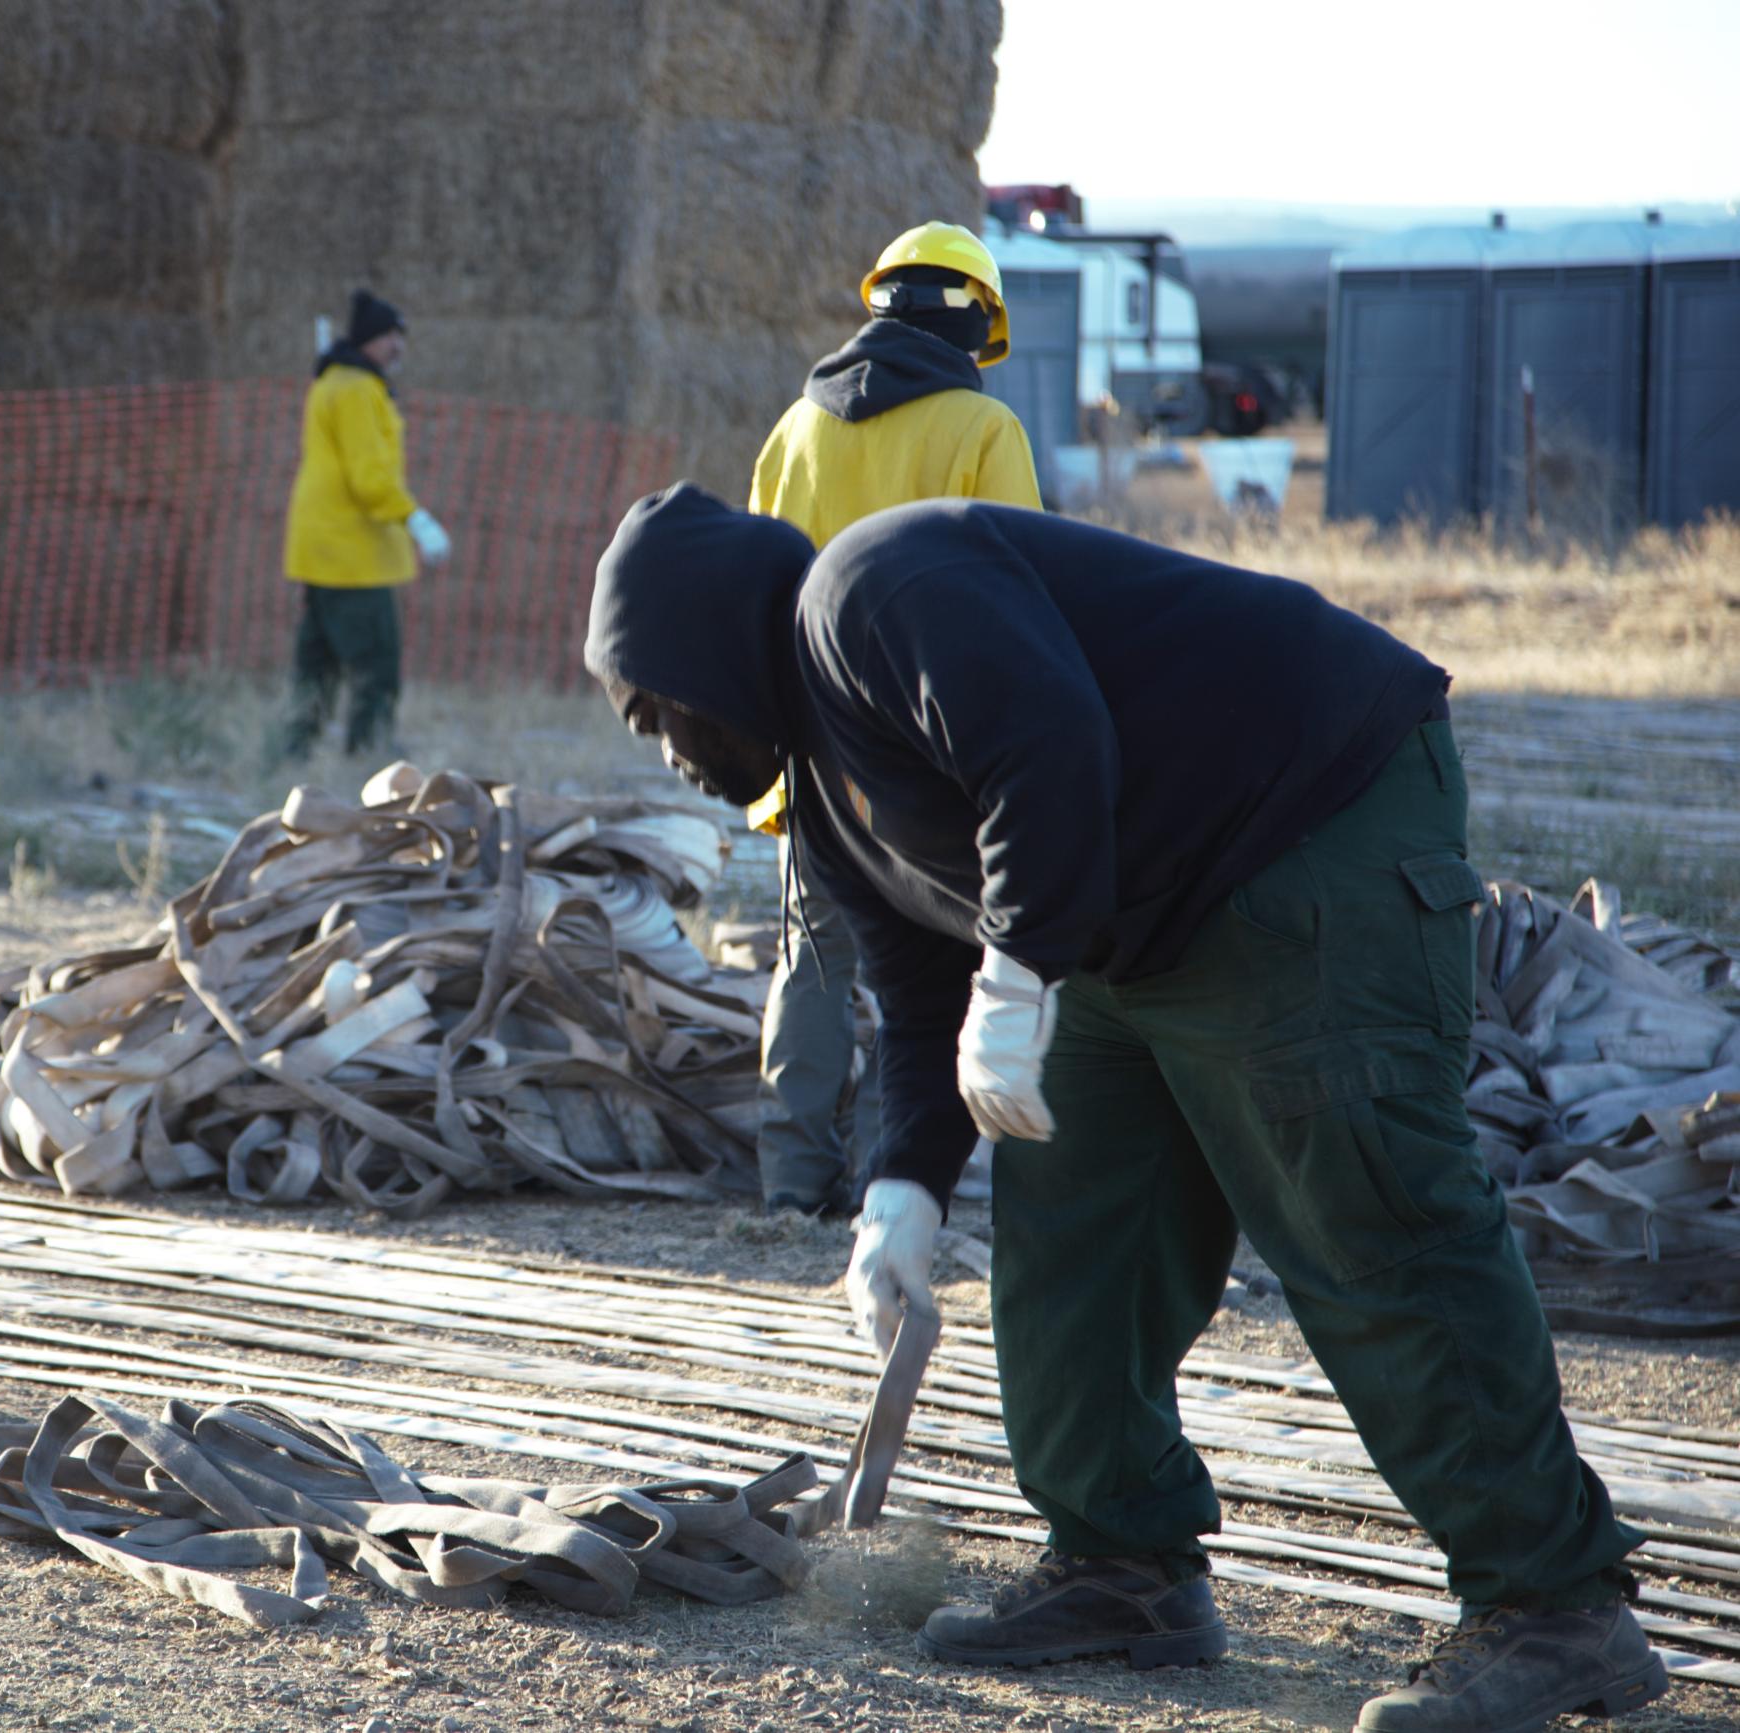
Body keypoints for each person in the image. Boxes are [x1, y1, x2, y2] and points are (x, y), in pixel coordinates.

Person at [583, 487, 1663, 1733]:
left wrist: (1019, 964)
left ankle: (1555, 1602)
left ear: (704, 638)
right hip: (1131, 915)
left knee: (1365, 1210)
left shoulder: (872, 589)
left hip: (1301, 817)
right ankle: (1122, 1564)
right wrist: (902, 1188)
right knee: (1071, 1215)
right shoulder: (828, 801)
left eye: (653, 700)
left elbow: (1045, 740)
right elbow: (915, 990)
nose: (660, 743)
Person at [745, 221, 1041, 1215]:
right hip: (927, 763)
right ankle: (894, 1178)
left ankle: (788, 1184)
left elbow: (758, 588)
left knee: (814, 956)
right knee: (929, 980)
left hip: (808, 743)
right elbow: (1014, 601)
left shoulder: (793, 429)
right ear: (974, 324)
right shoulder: (980, 432)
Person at [280, 290, 450, 758]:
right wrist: (415, 518)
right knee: (377, 668)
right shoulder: (356, 389)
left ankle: (289, 755)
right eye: (392, 335)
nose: (399, 346)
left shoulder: (333, 383)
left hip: (321, 551)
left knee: (316, 667)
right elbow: (369, 477)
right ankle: (368, 761)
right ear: (371, 339)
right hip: (354, 556)